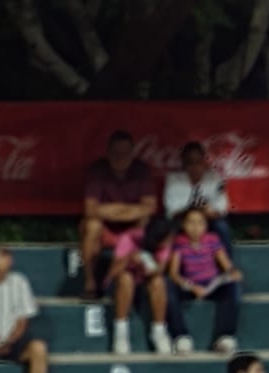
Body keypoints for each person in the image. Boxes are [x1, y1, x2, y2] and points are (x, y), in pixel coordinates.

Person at [79, 130, 158, 301]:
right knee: (92, 225)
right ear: (108, 152)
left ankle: (137, 279)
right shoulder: (97, 170)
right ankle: (90, 282)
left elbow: (149, 208)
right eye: (116, 152)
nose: (120, 157)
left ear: (133, 152)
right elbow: (91, 209)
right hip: (105, 229)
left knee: (145, 220)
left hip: (132, 229)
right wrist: (129, 210)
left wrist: (111, 210)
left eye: (125, 152)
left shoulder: (141, 170)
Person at [166, 207, 243, 355]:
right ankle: (181, 337)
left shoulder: (212, 239)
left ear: (206, 225)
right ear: (183, 225)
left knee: (233, 288)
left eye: (200, 223)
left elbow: (226, 265)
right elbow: (173, 273)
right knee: (168, 288)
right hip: (190, 285)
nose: (195, 228)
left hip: (211, 284)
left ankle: (225, 337)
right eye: (191, 223)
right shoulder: (180, 242)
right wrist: (191, 286)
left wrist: (233, 273)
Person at [104, 216, 173, 356]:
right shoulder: (128, 238)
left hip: (143, 285)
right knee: (126, 278)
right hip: (119, 286)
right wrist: (129, 259)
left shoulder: (165, 243)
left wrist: (150, 268)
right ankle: (121, 333)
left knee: (158, 281)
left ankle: (159, 332)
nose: (168, 243)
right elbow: (112, 273)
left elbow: (161, 268)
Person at [164, 141, 234, 251]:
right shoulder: (173, 179)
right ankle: (173, 264)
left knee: (222, 227)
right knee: (169, 228)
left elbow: (222, 209)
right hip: (182, 219)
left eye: (198, 162)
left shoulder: (215, 178)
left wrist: (208, 212)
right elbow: (171, 211)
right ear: (183, 163)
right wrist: (193, 210)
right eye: (189, 162)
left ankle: (227, 265)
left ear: (204, 162)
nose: (194, 166)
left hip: (208, 219)